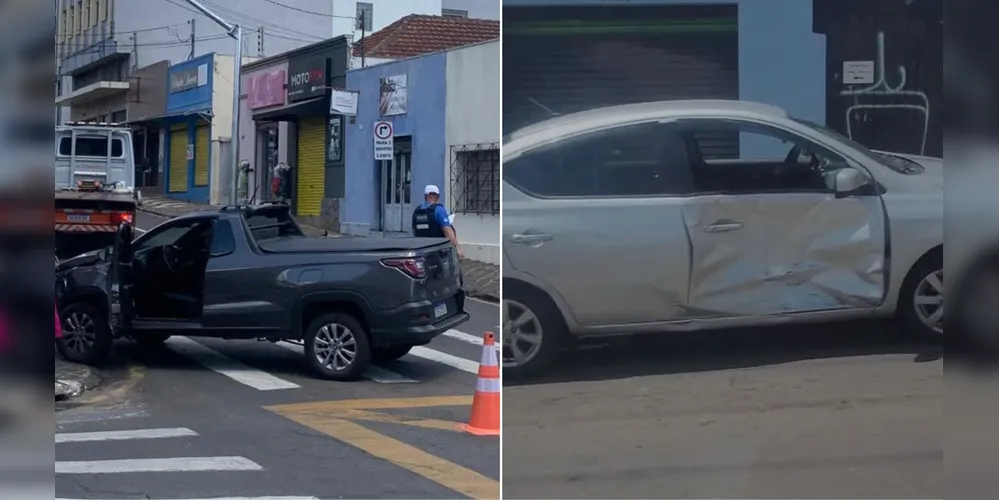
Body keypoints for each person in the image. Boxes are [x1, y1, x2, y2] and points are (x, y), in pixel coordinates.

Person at [412, 184, 463, 259]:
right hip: (437, 250)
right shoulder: (439, 210)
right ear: (438, 196)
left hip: (421, 250)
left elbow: (414, 231)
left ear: (425, 196)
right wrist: (457, 249)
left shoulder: (417, 211)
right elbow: (447, 231)